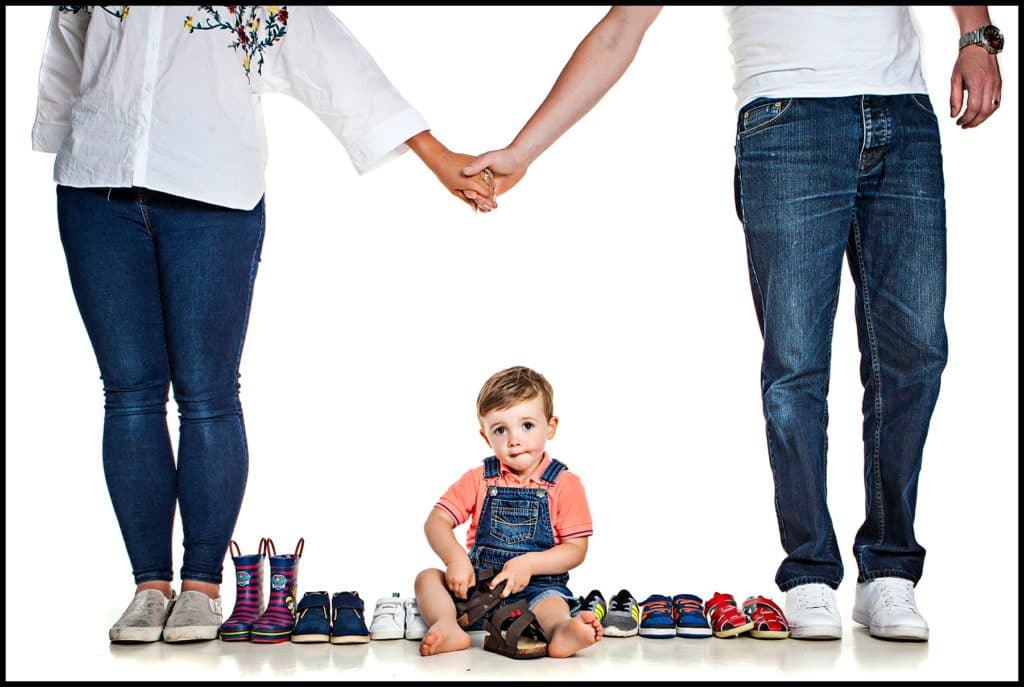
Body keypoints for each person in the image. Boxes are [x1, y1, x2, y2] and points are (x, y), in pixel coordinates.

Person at [459, 6, 1004, 642]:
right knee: (796, 365)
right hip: (788, 122)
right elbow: (620, 29)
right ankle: (809, 574)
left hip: (902, 114)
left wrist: (975, 35)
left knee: (915, 353)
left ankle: (889, 571)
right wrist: (523, 151)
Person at [32, 5, 497, 644]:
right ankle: (148, 587)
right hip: (93, 186)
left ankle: (200, 587)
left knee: (207, 394)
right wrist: (63, 132)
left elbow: (331, 55)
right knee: (128, 394)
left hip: (211, 196)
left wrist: (435, 156)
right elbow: (69, 40)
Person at [413, 366, 602, 658]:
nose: (514, 439)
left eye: (527, 425)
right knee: (427, 578)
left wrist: (529, 564)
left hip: (537, 590)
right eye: (501, 429)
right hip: (477, 590)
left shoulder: (565, 483)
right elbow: (436, 521)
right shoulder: (479, 478)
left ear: (550, 427)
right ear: (486, 436)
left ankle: (561, 631)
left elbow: (576, 549)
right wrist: (456, 560)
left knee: (553, 606)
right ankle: (447, 625)